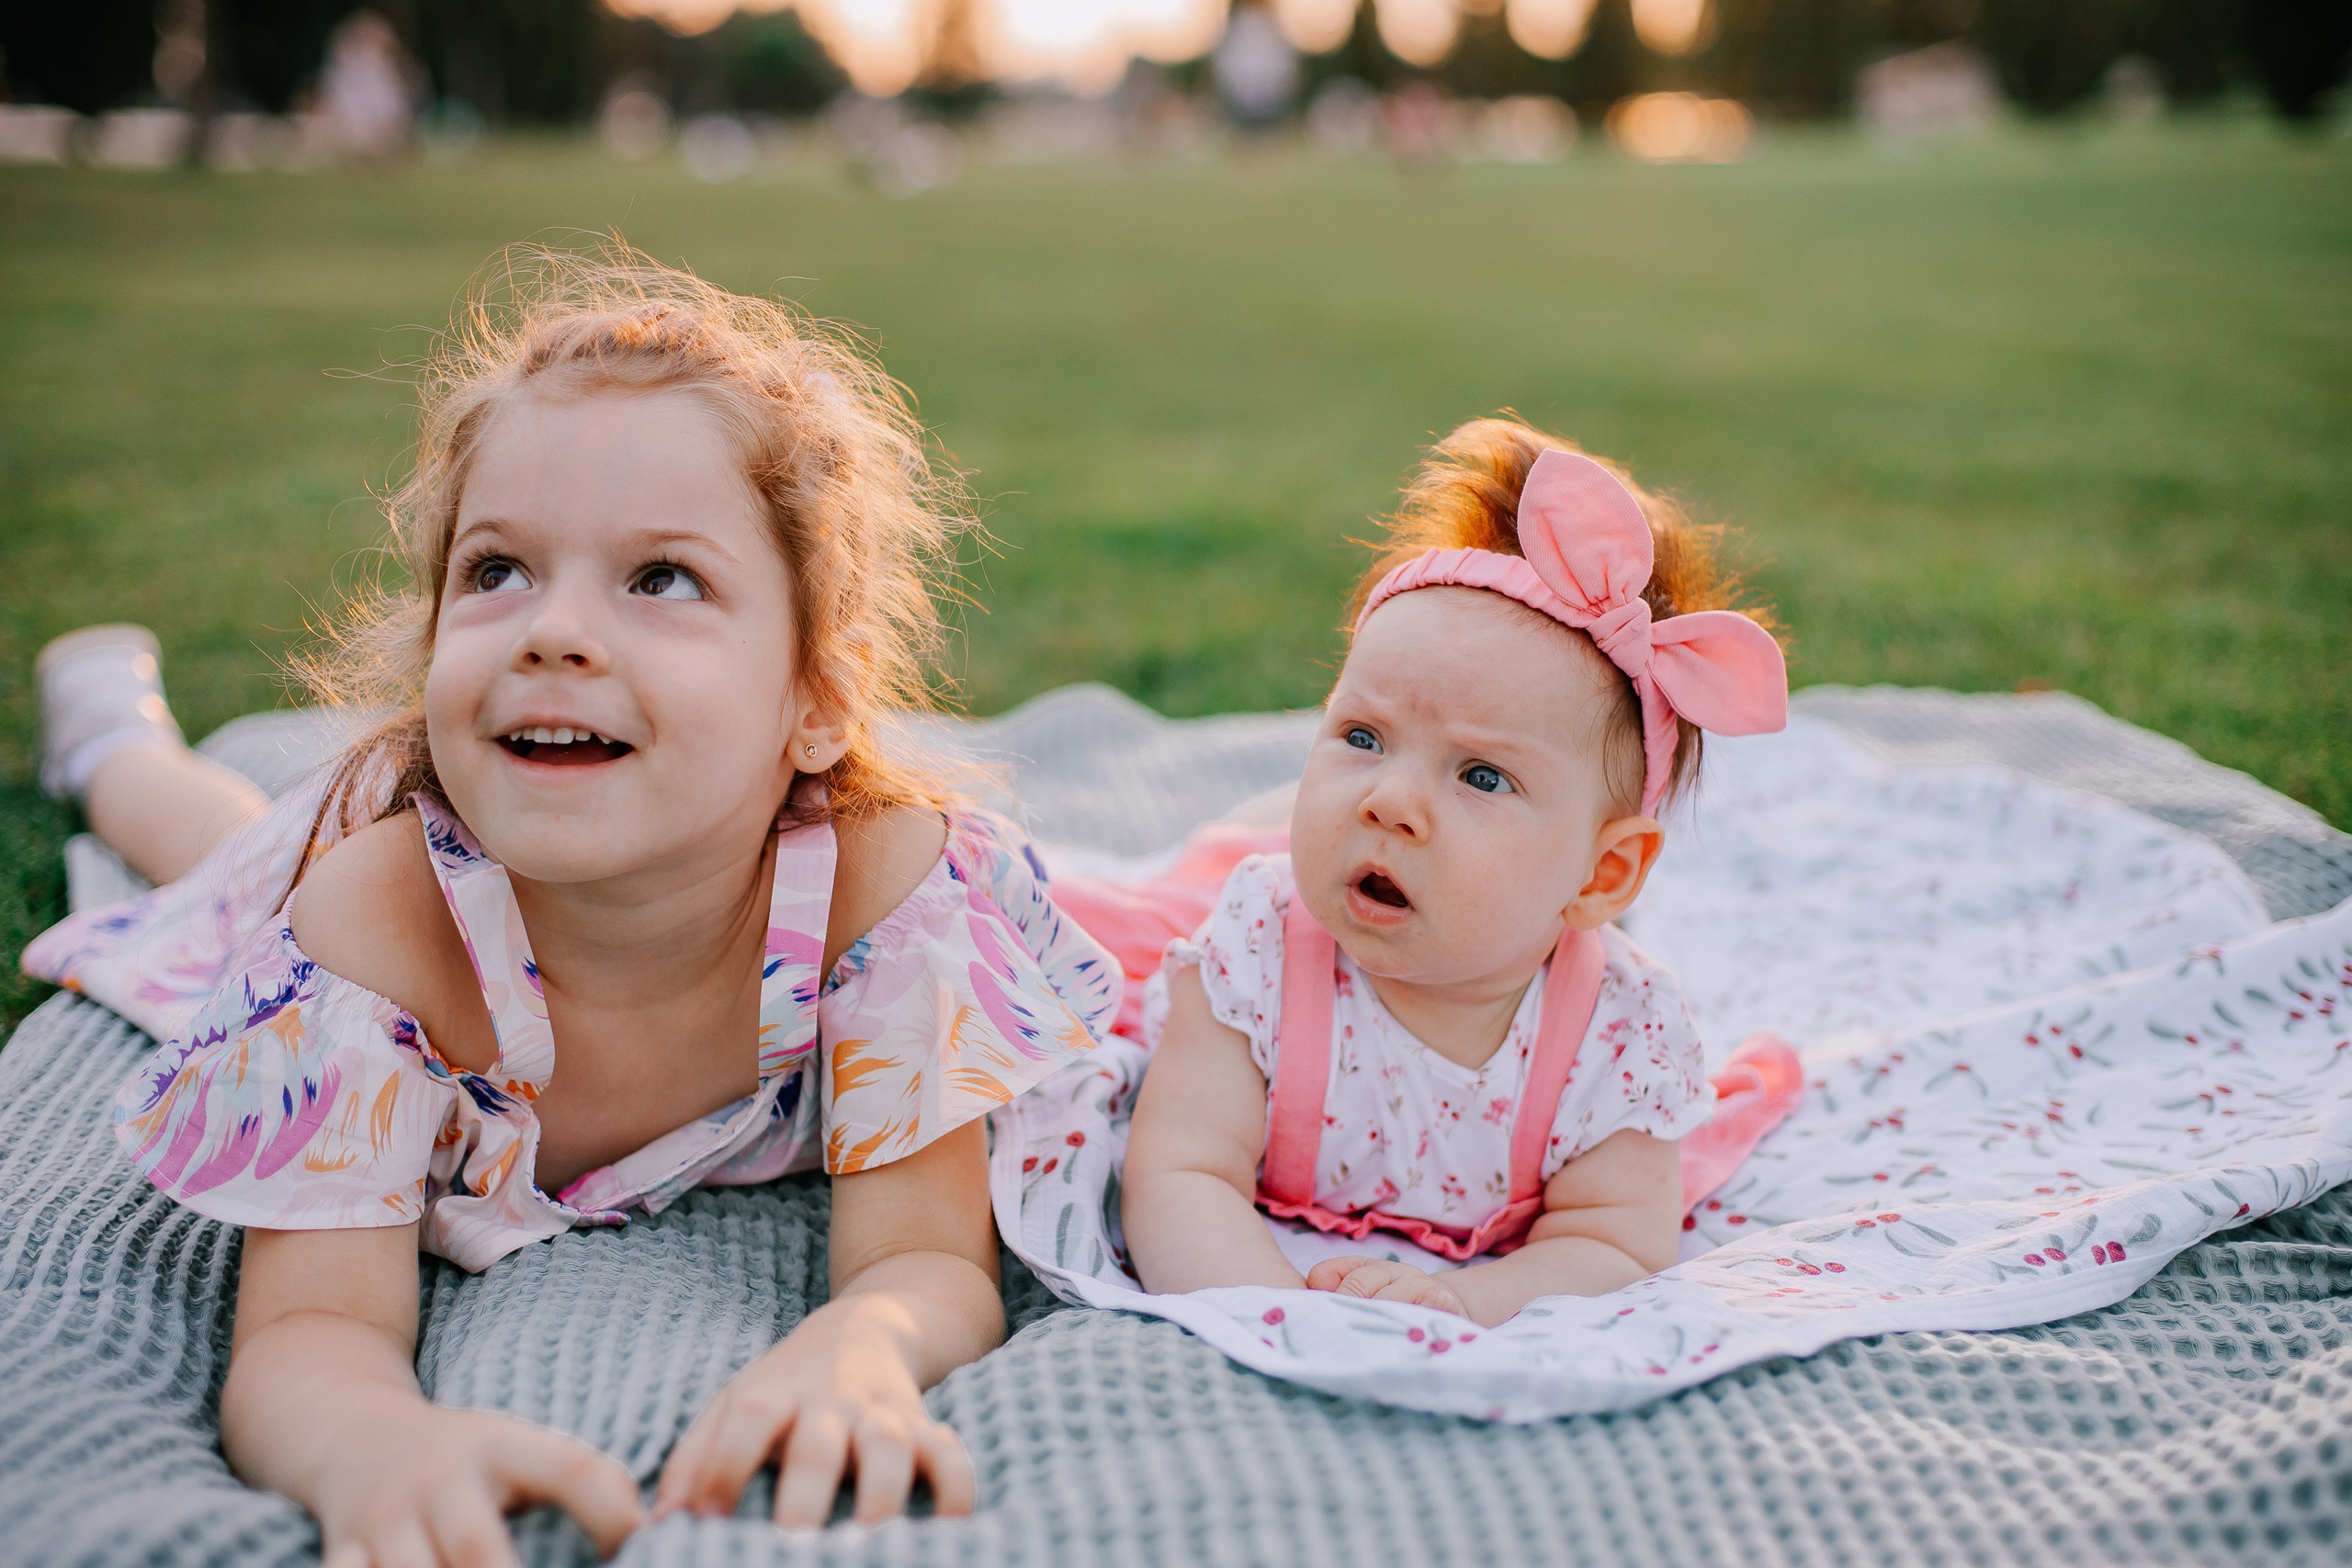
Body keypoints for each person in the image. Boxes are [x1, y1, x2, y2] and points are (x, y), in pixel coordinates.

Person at [22, 244, 1120, 1562]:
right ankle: (107, 738)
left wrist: (859, 1349)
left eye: (661, 577)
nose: (553, 630)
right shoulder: (373, 932)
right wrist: (371, 1439)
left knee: (236, 835)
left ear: (818, 697)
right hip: (335, 883)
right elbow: (312, 1330)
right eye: (497, 571)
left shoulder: (881, 900)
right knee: (209, 852)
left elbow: (926, 1259)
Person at [1119, 418, 1791, 1326]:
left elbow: (1613, 1246)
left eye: (1481, 775)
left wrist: (1459, 1299)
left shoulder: (1616, 1040)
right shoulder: (1255, 954)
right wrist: (1281, 1320)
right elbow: (1178, 1171)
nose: (1389, 800)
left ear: (1601, 875)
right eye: (1361, 737)